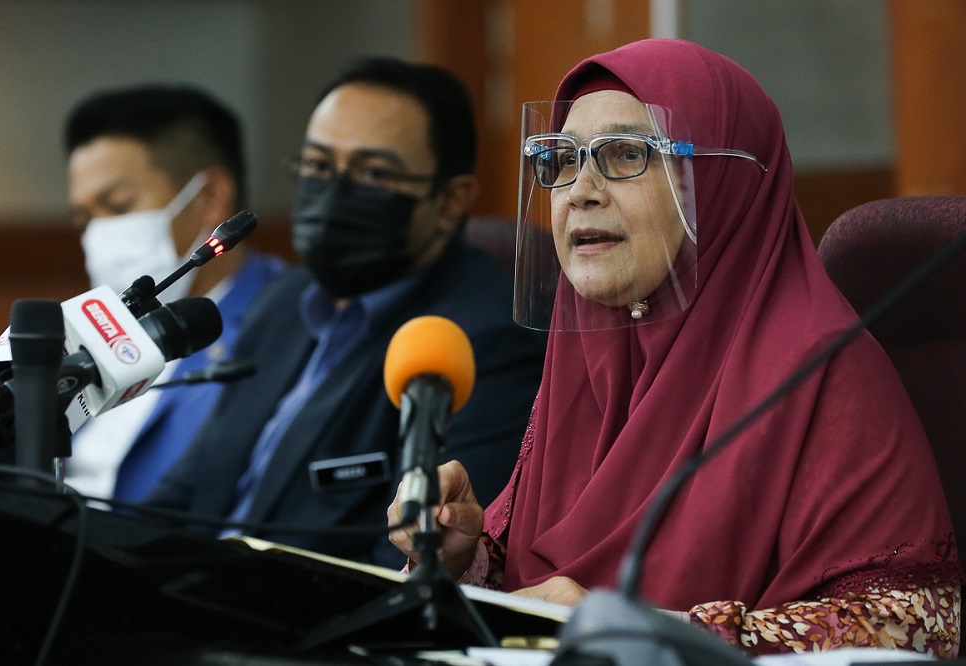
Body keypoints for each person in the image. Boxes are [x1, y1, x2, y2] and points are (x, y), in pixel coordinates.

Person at [388, 39, 962, 657]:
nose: (579, 190)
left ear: (721, 181)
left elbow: (923, 625)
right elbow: (539, 600)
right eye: (561, 159)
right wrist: (466, 560)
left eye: (626, 154)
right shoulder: (588, 361)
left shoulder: (819, 367)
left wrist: (654, 633)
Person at [144, 57, 547, 568]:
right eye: (317, 166)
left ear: (449, 201)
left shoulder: (484, 342)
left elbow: (417, 562)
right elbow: (188, 493)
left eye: (374, 173)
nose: (333, 192)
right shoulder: (285, 301)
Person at [63, 84, 285, 503]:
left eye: (118, 205)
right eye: (83, 218)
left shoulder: (289, 323)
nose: (97, 235)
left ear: (209, 197)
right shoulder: (92, 333)